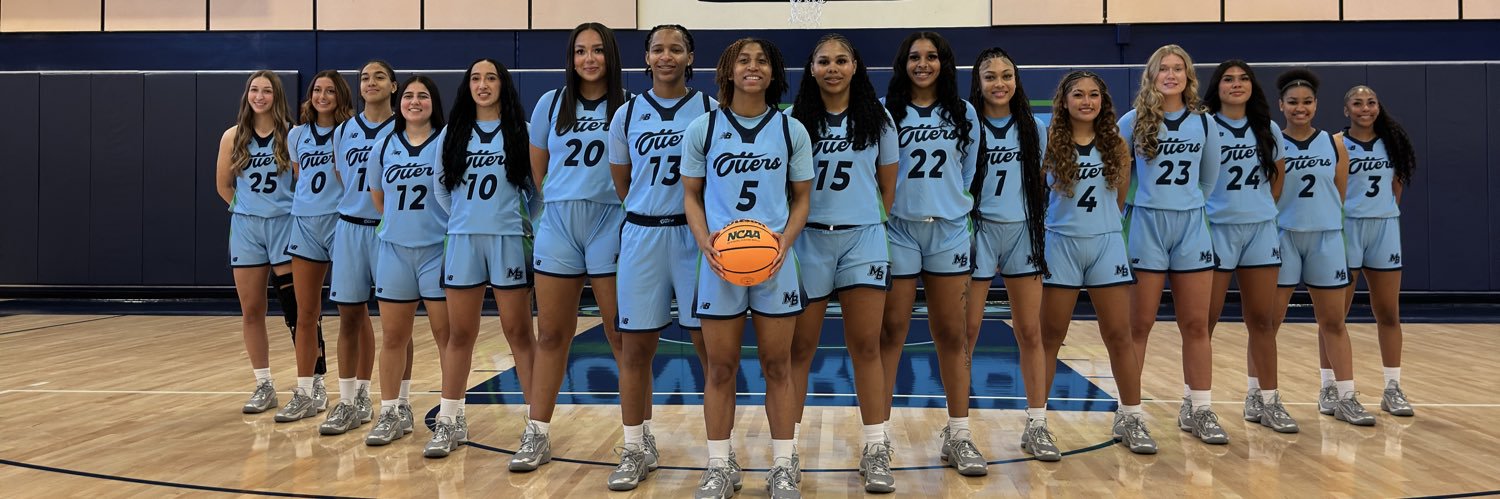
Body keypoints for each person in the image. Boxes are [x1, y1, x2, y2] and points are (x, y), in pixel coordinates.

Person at [682, 38, 813, 499]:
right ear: (729, 70)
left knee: (779, 367)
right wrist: (705, 243)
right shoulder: (704, 126)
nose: (752, 67)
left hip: (775, 262)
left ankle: (782, 466)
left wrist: (784, 242)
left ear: (773, 73)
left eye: (761, 61)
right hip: (719, 263)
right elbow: (691, 195)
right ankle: (719, 465)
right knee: (720, 368)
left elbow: (802, 199)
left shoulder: (791, 129)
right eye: (744, 60)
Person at [514, 22, 630, 472]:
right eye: (581, 51)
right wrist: (564, 202)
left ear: (611, 56)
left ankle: (637, 441)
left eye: (598, 50)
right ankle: (537, 434)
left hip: (610, 221)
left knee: (621, 336)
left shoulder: (630, 106)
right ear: (571, 57)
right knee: (551, 335)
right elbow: (540, 173)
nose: (588, 59)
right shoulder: (550, 103)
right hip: (560, 224)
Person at [604, 24, 715, 490]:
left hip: (695, 239)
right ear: (646, 58)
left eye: (676, 48)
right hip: (643, 236)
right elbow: (623, 183)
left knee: (710, 349)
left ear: (691, 57)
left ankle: (719, 454)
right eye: (657, 49)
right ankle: (635, 446)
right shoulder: (627, 114)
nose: (666, 56)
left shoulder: (711, 110)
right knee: (635, 349)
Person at [787, 33, 898, 491]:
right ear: (811, 69)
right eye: (823, 61)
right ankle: (785, 450)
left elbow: (887, 189)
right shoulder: (795, 122)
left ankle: (875, 448)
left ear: (855, 67)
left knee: (866, 346)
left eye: (841, 60)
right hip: (809, 241)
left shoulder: (879, 118)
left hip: (862, 241)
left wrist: (862, 222)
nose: (832, 68)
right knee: (800, 349)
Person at [880, 31, 984, 476]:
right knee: (892, 332)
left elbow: (967, 171)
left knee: (952, 334)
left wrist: (945, 205)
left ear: (945, 63)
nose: (923, 64)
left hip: (948, 232)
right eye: (915, 57)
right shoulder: (887, 115)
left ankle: (958, 433)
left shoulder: (964, 113)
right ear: (904, 64)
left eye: (932, 56)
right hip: (899, 230)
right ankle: (877, 437)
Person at [1037, 71, 1156, 455]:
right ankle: (1037, 424)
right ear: (1065, 100)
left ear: (1102, 101)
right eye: (1078, 95)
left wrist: (1102, 228)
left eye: (1093, 95)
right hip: (1061, 244)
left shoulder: (1117, 144)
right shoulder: (1050, 141)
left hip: (1106, 244)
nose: (1086, 101)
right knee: (1050, 338)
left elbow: (1119, 199)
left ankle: (1131, 416)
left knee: (1119, 335)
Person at [425, 58, 538, 458]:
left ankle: (535, 427)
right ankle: (450, 420)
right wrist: (461, 219)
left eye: (491, 78)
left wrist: (528, 229)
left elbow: (535, 191)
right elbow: (441, 192)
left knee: (519, 332)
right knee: (460, 334)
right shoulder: (451, 134)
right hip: (462, 241)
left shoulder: (521, 132)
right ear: (467, 86)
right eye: (475, 78)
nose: (483, 84)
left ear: (503, 85)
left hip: (508, 239)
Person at [1117, 45, 1227, 444]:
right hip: (1145, 223)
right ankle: (1128, 414)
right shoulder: (1131, 121)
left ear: (1188, 76)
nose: (1171, 74)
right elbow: (1118, 175)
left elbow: (1209, 179)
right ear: (1151, 75)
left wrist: (1185, 202)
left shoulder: (1205, 122)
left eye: (1178, 68)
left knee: (1197, 325)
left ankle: (1199, 409)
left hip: (1191, 227)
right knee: (1139, 325)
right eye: (1163, 68)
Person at [963, 47, 1054, 460]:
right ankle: (959, 429)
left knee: (1030, 331)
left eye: (1006, 75)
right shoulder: (966, 124)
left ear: (1016, 81)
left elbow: (1037, 181)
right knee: (967, 333)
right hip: (977, 230)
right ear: (978, 82)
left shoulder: (1035, 127)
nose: (999, 83)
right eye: (990, 76)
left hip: (1022, 231)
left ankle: (1037, 424)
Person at [1271, 68, 1373, 426]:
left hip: (1327, 237)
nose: (1301, 108)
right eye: (1293, 102)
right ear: (1281, 105)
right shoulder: (1272, 141)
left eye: (1307, 102)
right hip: (1283, 236)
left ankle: (1342, 395)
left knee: (1334, 321)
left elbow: (1340, 191)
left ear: (1316, 104)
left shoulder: (1335, 144)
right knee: (1269, 324)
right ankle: (1261, 396)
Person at [1201, 60, 1298, 433]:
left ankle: (1264, 398)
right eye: (1228, 79)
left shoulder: (1268, 128)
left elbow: (1278, 181)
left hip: (1259, 230)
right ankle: (1195, 402)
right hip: (1216, 229)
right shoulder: (1205, 126)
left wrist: (1259, 211)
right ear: (1217, 86)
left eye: (1243, 79)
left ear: (1253, 87)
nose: (1236, 84)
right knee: (1203, 323)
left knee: (1263, 320)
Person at [364, 75, 453, 445]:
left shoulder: (448, 142)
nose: (415, 101)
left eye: (423, 96)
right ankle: (391, 412)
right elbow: (379, 198)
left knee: (446, 336)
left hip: (438, 251)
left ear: (434, 102)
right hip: (395, 252)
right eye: (410, 96)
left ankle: (451, 416)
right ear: (400, 101)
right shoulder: (384, 144)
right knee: (394, 337)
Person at [321, 60, 400, 436]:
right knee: (349, 318)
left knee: (396, 326)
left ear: (394, 86)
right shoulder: (343, 131)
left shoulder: (406, 127)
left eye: (379, 77)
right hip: (350, 229)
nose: (371, 83)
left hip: (390, 231)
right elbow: (342, 177)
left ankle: (396, 405)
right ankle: (350, 401)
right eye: (365, 78)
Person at [214, 70, 298, 415]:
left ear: (276, 96)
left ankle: (312, 383)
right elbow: (224, 186)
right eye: (254, 90)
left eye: (266, 91)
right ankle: (264, 383)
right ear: (247, 95)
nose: (259, 96)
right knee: (252, 310)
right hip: (247, 229)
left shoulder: (293, 135)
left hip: (285, 226)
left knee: (298, 312)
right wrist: (248, 210)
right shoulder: (232, 136)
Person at [275, 70, 352, 423]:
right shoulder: (296, 135)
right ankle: (307, 391)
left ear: (340, 96)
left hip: (340, 222)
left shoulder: (349, 132)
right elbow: (298, 175)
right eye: (317, 90)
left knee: (352, 310)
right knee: (305, 314)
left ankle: (355, 394)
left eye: (330, 91)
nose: (322, 96)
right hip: (304, 223)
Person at [1340, 84, 1417, 417]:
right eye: (1357, 103)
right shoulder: (1336, 144)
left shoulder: (1392, 145)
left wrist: (1384, 213)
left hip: (1384, 228)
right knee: (1334, 316)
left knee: (1388, 312)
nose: (1365, 108)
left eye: (1371, 102)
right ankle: (1332, 388)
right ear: (1347, 110)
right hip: (1347, 229)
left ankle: (1392, 387)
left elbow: (1396, 186)